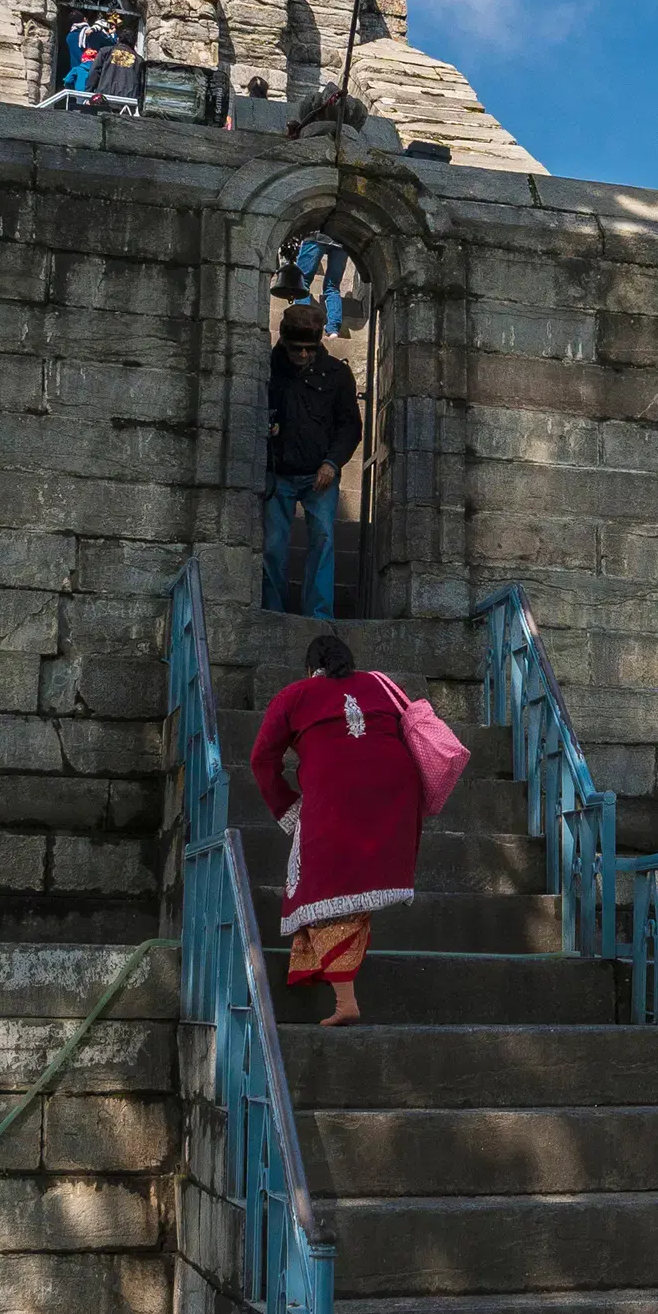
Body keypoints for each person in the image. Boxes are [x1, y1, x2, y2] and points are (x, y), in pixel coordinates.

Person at [251, 631, 425, 1024]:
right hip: (396, 797)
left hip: (334, 798)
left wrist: (287, 808)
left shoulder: (293, 695)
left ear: (309, 668)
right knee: (353, 888)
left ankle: (346, 1003)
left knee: (317, 892)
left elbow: (261, 759)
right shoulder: (380, 684)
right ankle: (327, 976)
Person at [261, 300, 361, 619]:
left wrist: (332, 463)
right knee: (273, 546)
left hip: (320, 472)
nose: (303, 355)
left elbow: (350, 426)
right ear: (284, 343)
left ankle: (318, 616)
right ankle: (273, 613)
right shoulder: (268, 369)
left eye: (309, 349)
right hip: (279, 471)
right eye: (296, 349)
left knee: (324, 541)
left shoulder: (337, 374)